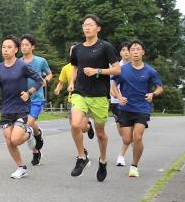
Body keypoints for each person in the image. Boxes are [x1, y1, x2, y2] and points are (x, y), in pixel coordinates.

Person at [68, 14, 121, 182]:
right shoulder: (77, 49)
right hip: (80, 92)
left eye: (90, 25)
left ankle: (103, 160)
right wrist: (71, 82)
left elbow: (117, 70)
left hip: (99, 95)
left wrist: (97, 71)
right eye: (84, 25)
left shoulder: (106, 47)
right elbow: (75, 68)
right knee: (75, 124)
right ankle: (82, 158)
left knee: (100, 133)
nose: (87, 27)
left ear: (98, 28)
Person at [0, 35, 43, 179]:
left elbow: (39, 80)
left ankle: (29, 132)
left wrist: (29, 93)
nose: (5, 50)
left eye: (9, 47)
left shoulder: (22, 66)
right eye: (3, 47)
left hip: (21, 108)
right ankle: (21, 167)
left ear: (16, 49)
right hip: (6, 109)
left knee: (16, 140)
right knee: (8, 140)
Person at [112, 39, 163, 177]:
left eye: (138, 49)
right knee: (127, 139)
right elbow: (114, 86)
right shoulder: (122, 70)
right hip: (126, 108)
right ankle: (131, 159)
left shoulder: (150, 71)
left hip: (142, 108)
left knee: (138, 136)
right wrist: (119, 97)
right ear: (129, 52)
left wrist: (153, 93)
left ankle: (134, 166)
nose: (135, 52)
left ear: (143, 52)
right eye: (132, 50)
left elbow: (160, 88)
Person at [54, 42, 94, 147]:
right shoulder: (66, 68)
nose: (74, 52)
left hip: (84, 99)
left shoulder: (86, 66)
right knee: (74, 127)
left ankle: (88, 127)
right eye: (72, 50)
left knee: (82, 127)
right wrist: (58, 89)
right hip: (71, 100)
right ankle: (82, 150)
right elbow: (61, 82)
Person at [20, 34, 52, 166]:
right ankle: (37, 144)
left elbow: (49, 74)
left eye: (27, 45)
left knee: (28, 125)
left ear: (33, 47)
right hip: (22, 99)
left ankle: (35, 150)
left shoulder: (40, 61)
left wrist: (46, 80)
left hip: (37, 98)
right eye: (22, 45)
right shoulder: (18, 62)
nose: (24, 47)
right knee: (31, 126)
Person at [110, 41, 131, 166]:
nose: (126, 52)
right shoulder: (116, 67)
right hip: (117, 103)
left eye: (128, 50)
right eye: (123, 50)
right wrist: (115, 94)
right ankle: (129, 144)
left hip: (132, 104)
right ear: (120, 53)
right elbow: (111, 86)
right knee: (123, 134)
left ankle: (121, 156)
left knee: (131, 134)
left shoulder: (137, 67)